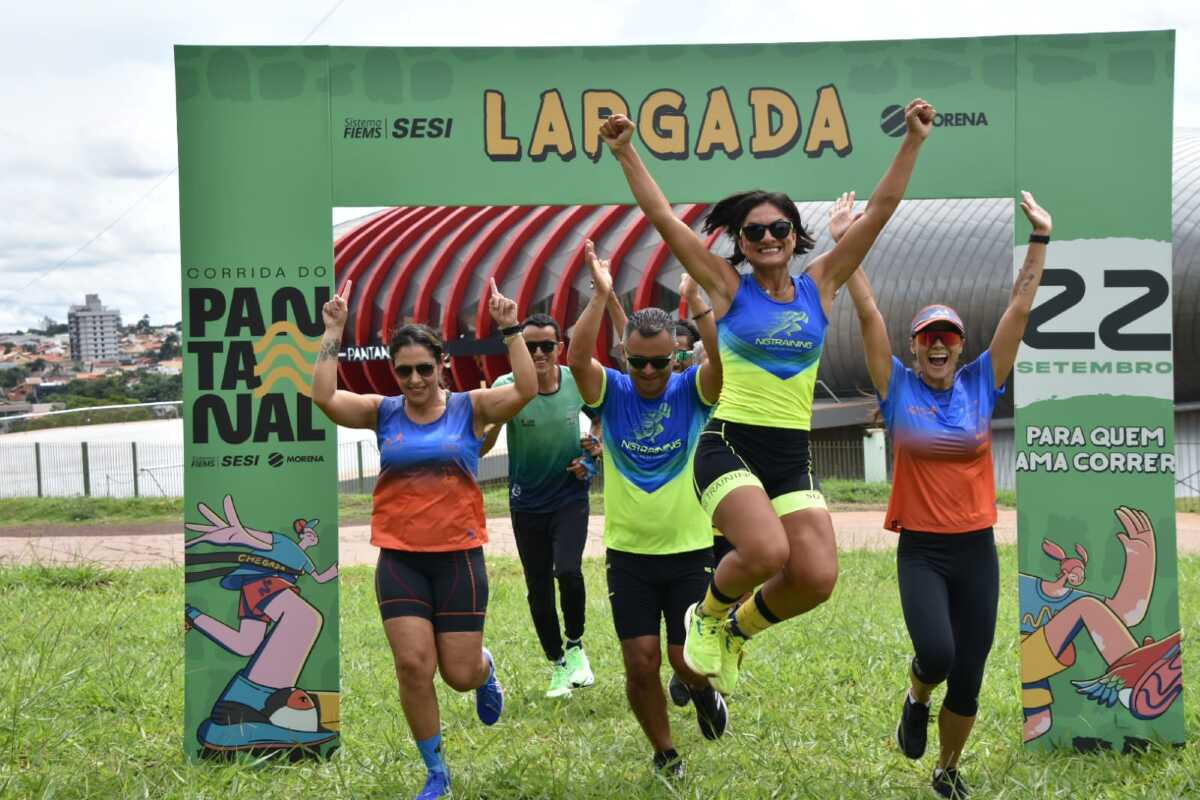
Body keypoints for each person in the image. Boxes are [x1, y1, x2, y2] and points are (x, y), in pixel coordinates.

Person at [598, 99, 935, 696]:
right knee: (764, 549)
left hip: (789, 453)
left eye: (779, 228)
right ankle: (703, 616)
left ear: (794, 235)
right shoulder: (727, 289)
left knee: (816, 576)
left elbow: (880, 212)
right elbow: (666, 222)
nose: (768, 238)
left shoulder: (822, 284)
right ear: (742, 244)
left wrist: (912, 140)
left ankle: (734, 631)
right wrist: (627, 151)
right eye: (754, 232)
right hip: (730, 442)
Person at [842, 191, 1052, 798]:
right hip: (924, 551)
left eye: (949, 337)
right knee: (935, 654)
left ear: (961, 345)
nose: (939, 344)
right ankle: (915, 697)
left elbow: (1017, 309)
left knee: (970, 675)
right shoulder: (898, 388)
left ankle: (947, 770)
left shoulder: (982, 384)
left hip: (975, 549)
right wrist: (849, 243)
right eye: (928, 337)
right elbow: (869, 315)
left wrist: (1039, 239)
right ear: (914, 347)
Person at [311, 278, 537, 800]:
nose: (413, 379)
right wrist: (333, 332)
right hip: (401, 559)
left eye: (423, 369)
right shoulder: (383, 412)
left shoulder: (470, 408)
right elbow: (323, 396)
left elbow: (526, 389)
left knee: (458, 673)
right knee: (414, 666)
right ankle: (436, 772)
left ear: (442, 366)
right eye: (404, 371)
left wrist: (510, 328)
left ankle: (486, 672)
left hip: (458, 558)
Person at [567, 240, 726, 777]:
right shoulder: (611, 391)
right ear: (624, 356)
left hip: (689, 550)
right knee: (641, 662)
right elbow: (574, 359)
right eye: (639, 362)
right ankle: (665, 753)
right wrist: (601, 296)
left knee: (686, 661)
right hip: (630, 555)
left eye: (661, 362)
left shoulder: (691, 391)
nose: (651, 372)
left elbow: (719, 366)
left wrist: (698, 303)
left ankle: (703, 693)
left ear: (674, 358)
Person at [481, 312, 600, 698]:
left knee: (567, 570)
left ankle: (576, 646)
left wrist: (592, 456)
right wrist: (489, 425)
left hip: (569, 495)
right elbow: (483, 445)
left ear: (559, 348)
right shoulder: (506, 386)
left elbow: (602, 418)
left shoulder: (574, 382)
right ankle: (557, 665)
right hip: (527, 502)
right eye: (529, 346)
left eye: (546, 346)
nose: (537, 353)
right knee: (538, 587)